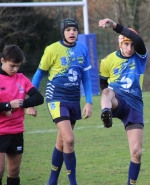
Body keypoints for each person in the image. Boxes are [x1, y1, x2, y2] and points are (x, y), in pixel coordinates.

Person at [31, 18, 93, 185]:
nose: (72, 32)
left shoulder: (83, 49)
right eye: (68, 30)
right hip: (56, 98)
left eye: (74, 29)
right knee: (70, 139)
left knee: (62, 141)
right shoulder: (52, 49)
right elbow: (39, 74)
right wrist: (30, 101)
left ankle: (52, 181)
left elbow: (86, 77)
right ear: (63, 32)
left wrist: (89, 102)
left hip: (74, 100)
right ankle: (73, 182)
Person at [98, 18, 148, 185]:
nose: (130, 48)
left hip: (134, 105)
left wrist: (114, 26)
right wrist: (107, 103)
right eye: (126, 44)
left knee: (136, 152)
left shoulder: (140, 57)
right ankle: (106, 113)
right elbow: (103, 84)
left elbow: (139, 40)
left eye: (132, 45)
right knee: (106, 92)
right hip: (116, 100)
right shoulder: (107, 61)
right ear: (120, 43)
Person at [0, 45, 44, 185]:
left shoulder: (21, 78)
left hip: (16, 131)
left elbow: (38, 98)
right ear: (3, 60)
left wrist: (21, 104)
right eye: (12, 66)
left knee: (14, 171)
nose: (15, 69)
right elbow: (7, 105)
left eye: (17, 66)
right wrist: (7, 105)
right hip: (0, 132)